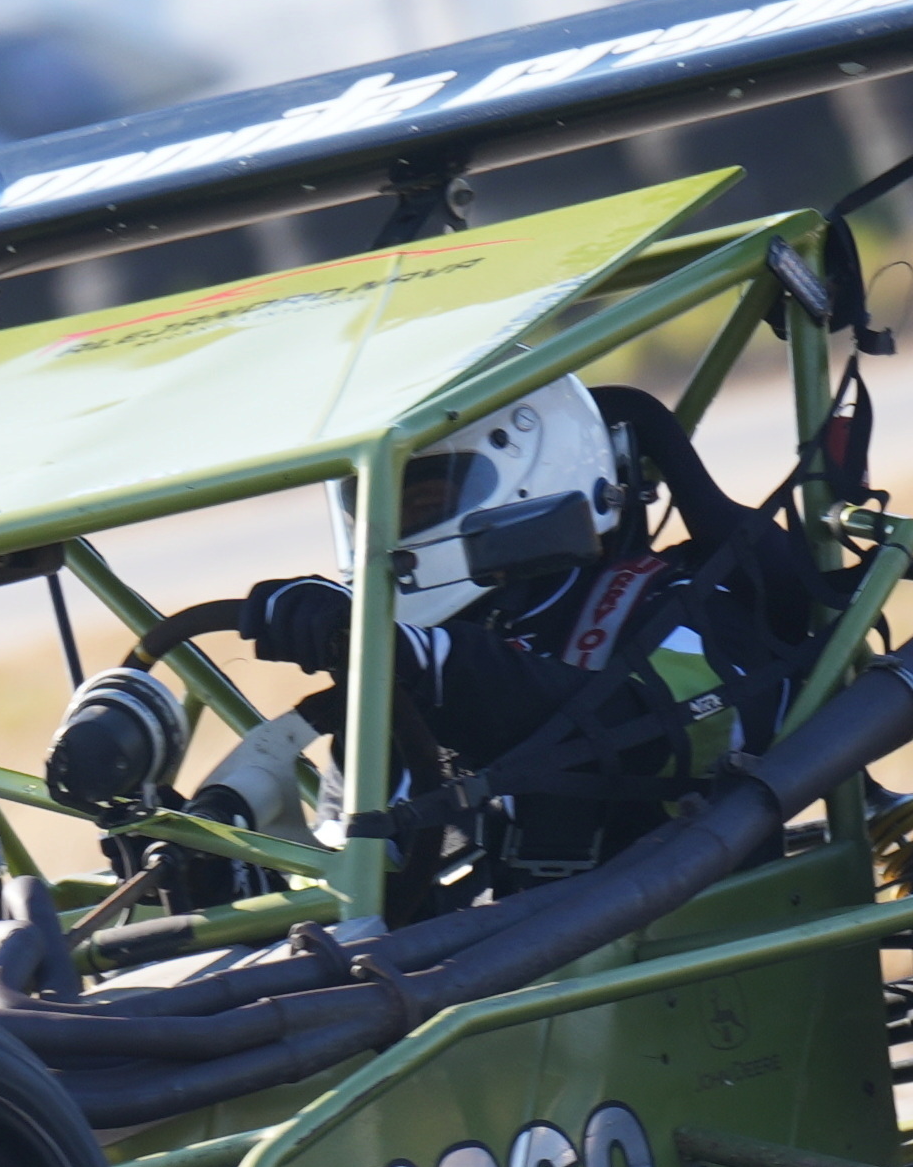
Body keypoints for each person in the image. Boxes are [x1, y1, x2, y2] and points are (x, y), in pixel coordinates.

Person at [229, 375, 848, 915]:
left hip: (661, 960)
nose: (397, 535)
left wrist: (431, 663)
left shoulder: (678, 603)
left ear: (537, 473)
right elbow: (358, 874)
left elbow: (672, 731)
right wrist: (248, 863)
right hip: (459, 983)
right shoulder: (413, 664)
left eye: (423, 503)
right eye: (379, 512)